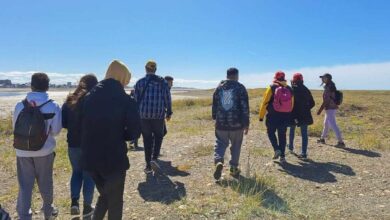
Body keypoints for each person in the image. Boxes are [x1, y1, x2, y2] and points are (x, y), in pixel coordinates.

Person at [80, 60, 141, 220]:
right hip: (113, 159)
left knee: (106, 195)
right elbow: (135, 132)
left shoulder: (89, 96)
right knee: (114, 202)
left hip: (90, 158)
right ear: (122, 79)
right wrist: (123, 135)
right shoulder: (126, 100)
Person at [12, 73, 62, 220]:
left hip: (22, 151)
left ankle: (23, 215)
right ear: (47, 86)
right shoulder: (53, 105)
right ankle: (48, 212)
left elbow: (15, 127)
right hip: (44, 151)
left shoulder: (20, 105)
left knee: (25, 185)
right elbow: (56, 130)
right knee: (45, 183)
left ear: (31, 85)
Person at [62, 74, 98, 218]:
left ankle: (74, 202)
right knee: (89, 176)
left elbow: (64, 123)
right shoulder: (95, 100)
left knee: (76, 172)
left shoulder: (70, 100)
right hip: (90, 144)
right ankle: (87, 206)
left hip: (73, 144)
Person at [135, 61, 172, 174]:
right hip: (158, 115)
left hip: (144, 116)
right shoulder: (163, 82)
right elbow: (167, 98)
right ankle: (154, 158)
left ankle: (148, 165)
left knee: (147, 139)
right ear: (155, 69)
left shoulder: (139, 82)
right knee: (158, 136)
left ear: (146, 69)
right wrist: (169, 112)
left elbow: (136, 100)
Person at [212, 68, 250, 180]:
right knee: (236, 146)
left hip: (221, 123)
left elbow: (214, 104)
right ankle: (233, 168)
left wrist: (215, 117)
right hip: (236, 125)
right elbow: (244, 107)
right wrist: (246, 123)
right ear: (237, 76)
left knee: (220, 143)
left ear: (227, 75)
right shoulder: (241, 88)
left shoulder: (218, 88)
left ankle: (218, 160)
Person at [259, 71, 294, 163]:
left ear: (275, 78)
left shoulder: (271, 87)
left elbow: (265, 102)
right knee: (282, 135)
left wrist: (261, 116)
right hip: (285, 116)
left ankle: (276, 149)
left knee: (270, 132)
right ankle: (282, 157)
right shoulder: (289, 89)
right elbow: (292, 104)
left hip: (272, 116)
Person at [287, 73, 315, 159]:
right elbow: (312, 103)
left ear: (294, 80)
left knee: (292, 130)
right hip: (304, 115)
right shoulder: (306, 89)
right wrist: (305, 109)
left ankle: (291, 147)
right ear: (302, 80)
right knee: (304, 134)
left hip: (293, 114)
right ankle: (304, 153)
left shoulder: (292, 90)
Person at [317, 73, 345, 147]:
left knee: (333, 124)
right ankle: (322, 138)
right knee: (326, 124)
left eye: (323, 78)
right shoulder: (330, 85)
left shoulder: (329, 87)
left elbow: (326, 100)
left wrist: (320, 110)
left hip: (330, 108)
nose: (322, 79)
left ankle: (341, 142)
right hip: (331, 108)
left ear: (327, 78)